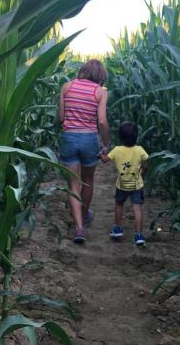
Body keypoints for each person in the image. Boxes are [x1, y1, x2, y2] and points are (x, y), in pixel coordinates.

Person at [58, 59, 109, 244]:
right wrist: (106, 144)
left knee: (73, 185)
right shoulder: (100, 92)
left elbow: (61, 117)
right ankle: (85, 215)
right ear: (100, 76)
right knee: (87, 181)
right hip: (89, 140)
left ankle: (78, 228)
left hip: (69, 138)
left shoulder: (66, 87)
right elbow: (102, 121)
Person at [100, 121, 149, 245]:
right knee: (137, 207)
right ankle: (139, 235)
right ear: (136, 136)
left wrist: (101, 154)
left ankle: (118, 228)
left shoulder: (117, 150)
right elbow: (146, 164)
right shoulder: (140, 150)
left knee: (119, 204)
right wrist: (142, 174)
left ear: (120, 137)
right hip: (137, 185)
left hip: (122, 185)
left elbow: (105, 160)